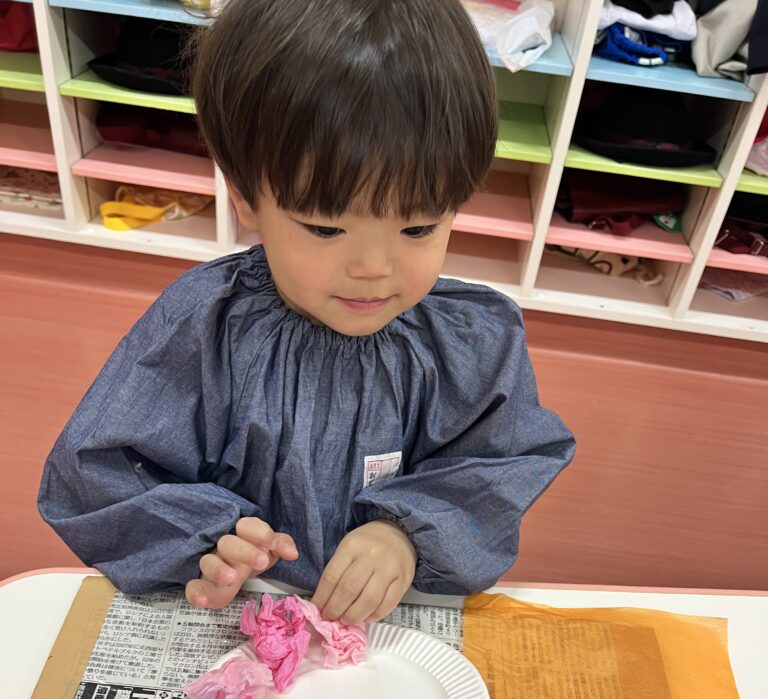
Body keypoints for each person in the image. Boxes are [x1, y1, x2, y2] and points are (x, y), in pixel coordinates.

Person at [37, 0, 574, 626]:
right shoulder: (204, 328)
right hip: (244, 620)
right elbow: (95, 474)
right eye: (325, 228)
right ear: (246, 198)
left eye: (419, 227)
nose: (374, 267)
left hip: (392, 629)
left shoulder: (469, 342)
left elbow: (503, 462)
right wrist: (209, 538)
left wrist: (408, 533)